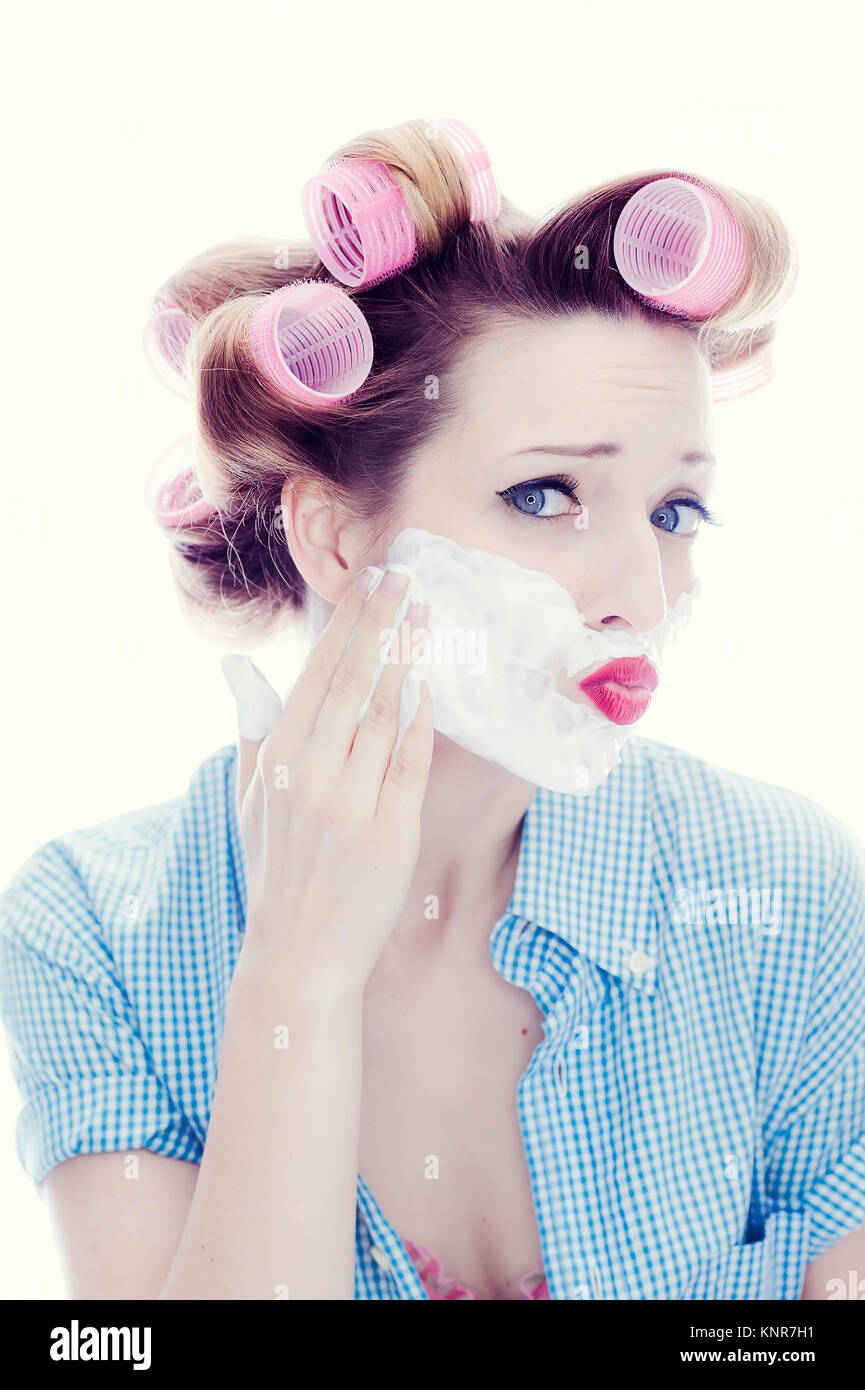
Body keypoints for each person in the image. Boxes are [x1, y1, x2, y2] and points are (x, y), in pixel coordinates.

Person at [1, 118, 863, 1302]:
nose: (639, 595)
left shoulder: (789, 897)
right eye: (547, 493)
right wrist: (294, 982)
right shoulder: (95, 930)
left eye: (673, 511)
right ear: (343, 540)